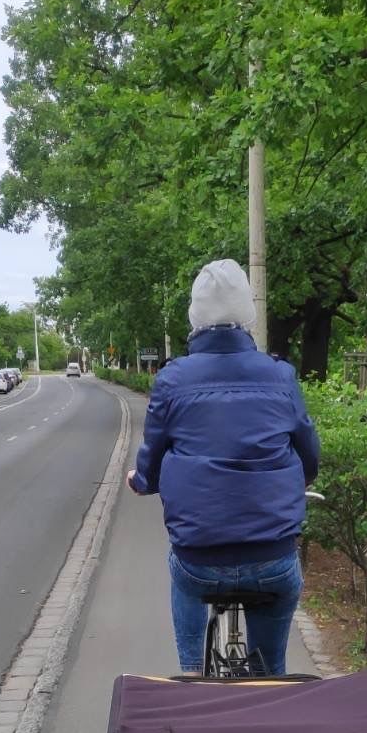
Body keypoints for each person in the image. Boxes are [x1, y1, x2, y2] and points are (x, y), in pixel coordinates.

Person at [127, 259, 320, 674]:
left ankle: (193, 672)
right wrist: (300, 479)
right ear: (247, 315)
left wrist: (141, 481)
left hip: (199, 560)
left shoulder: (172, 380)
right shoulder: (281, 376)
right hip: (273, 559)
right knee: (272, 671)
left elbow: (153, 456)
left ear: (194, 317)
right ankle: (271, 684)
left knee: (181, 569)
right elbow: (309, 454)